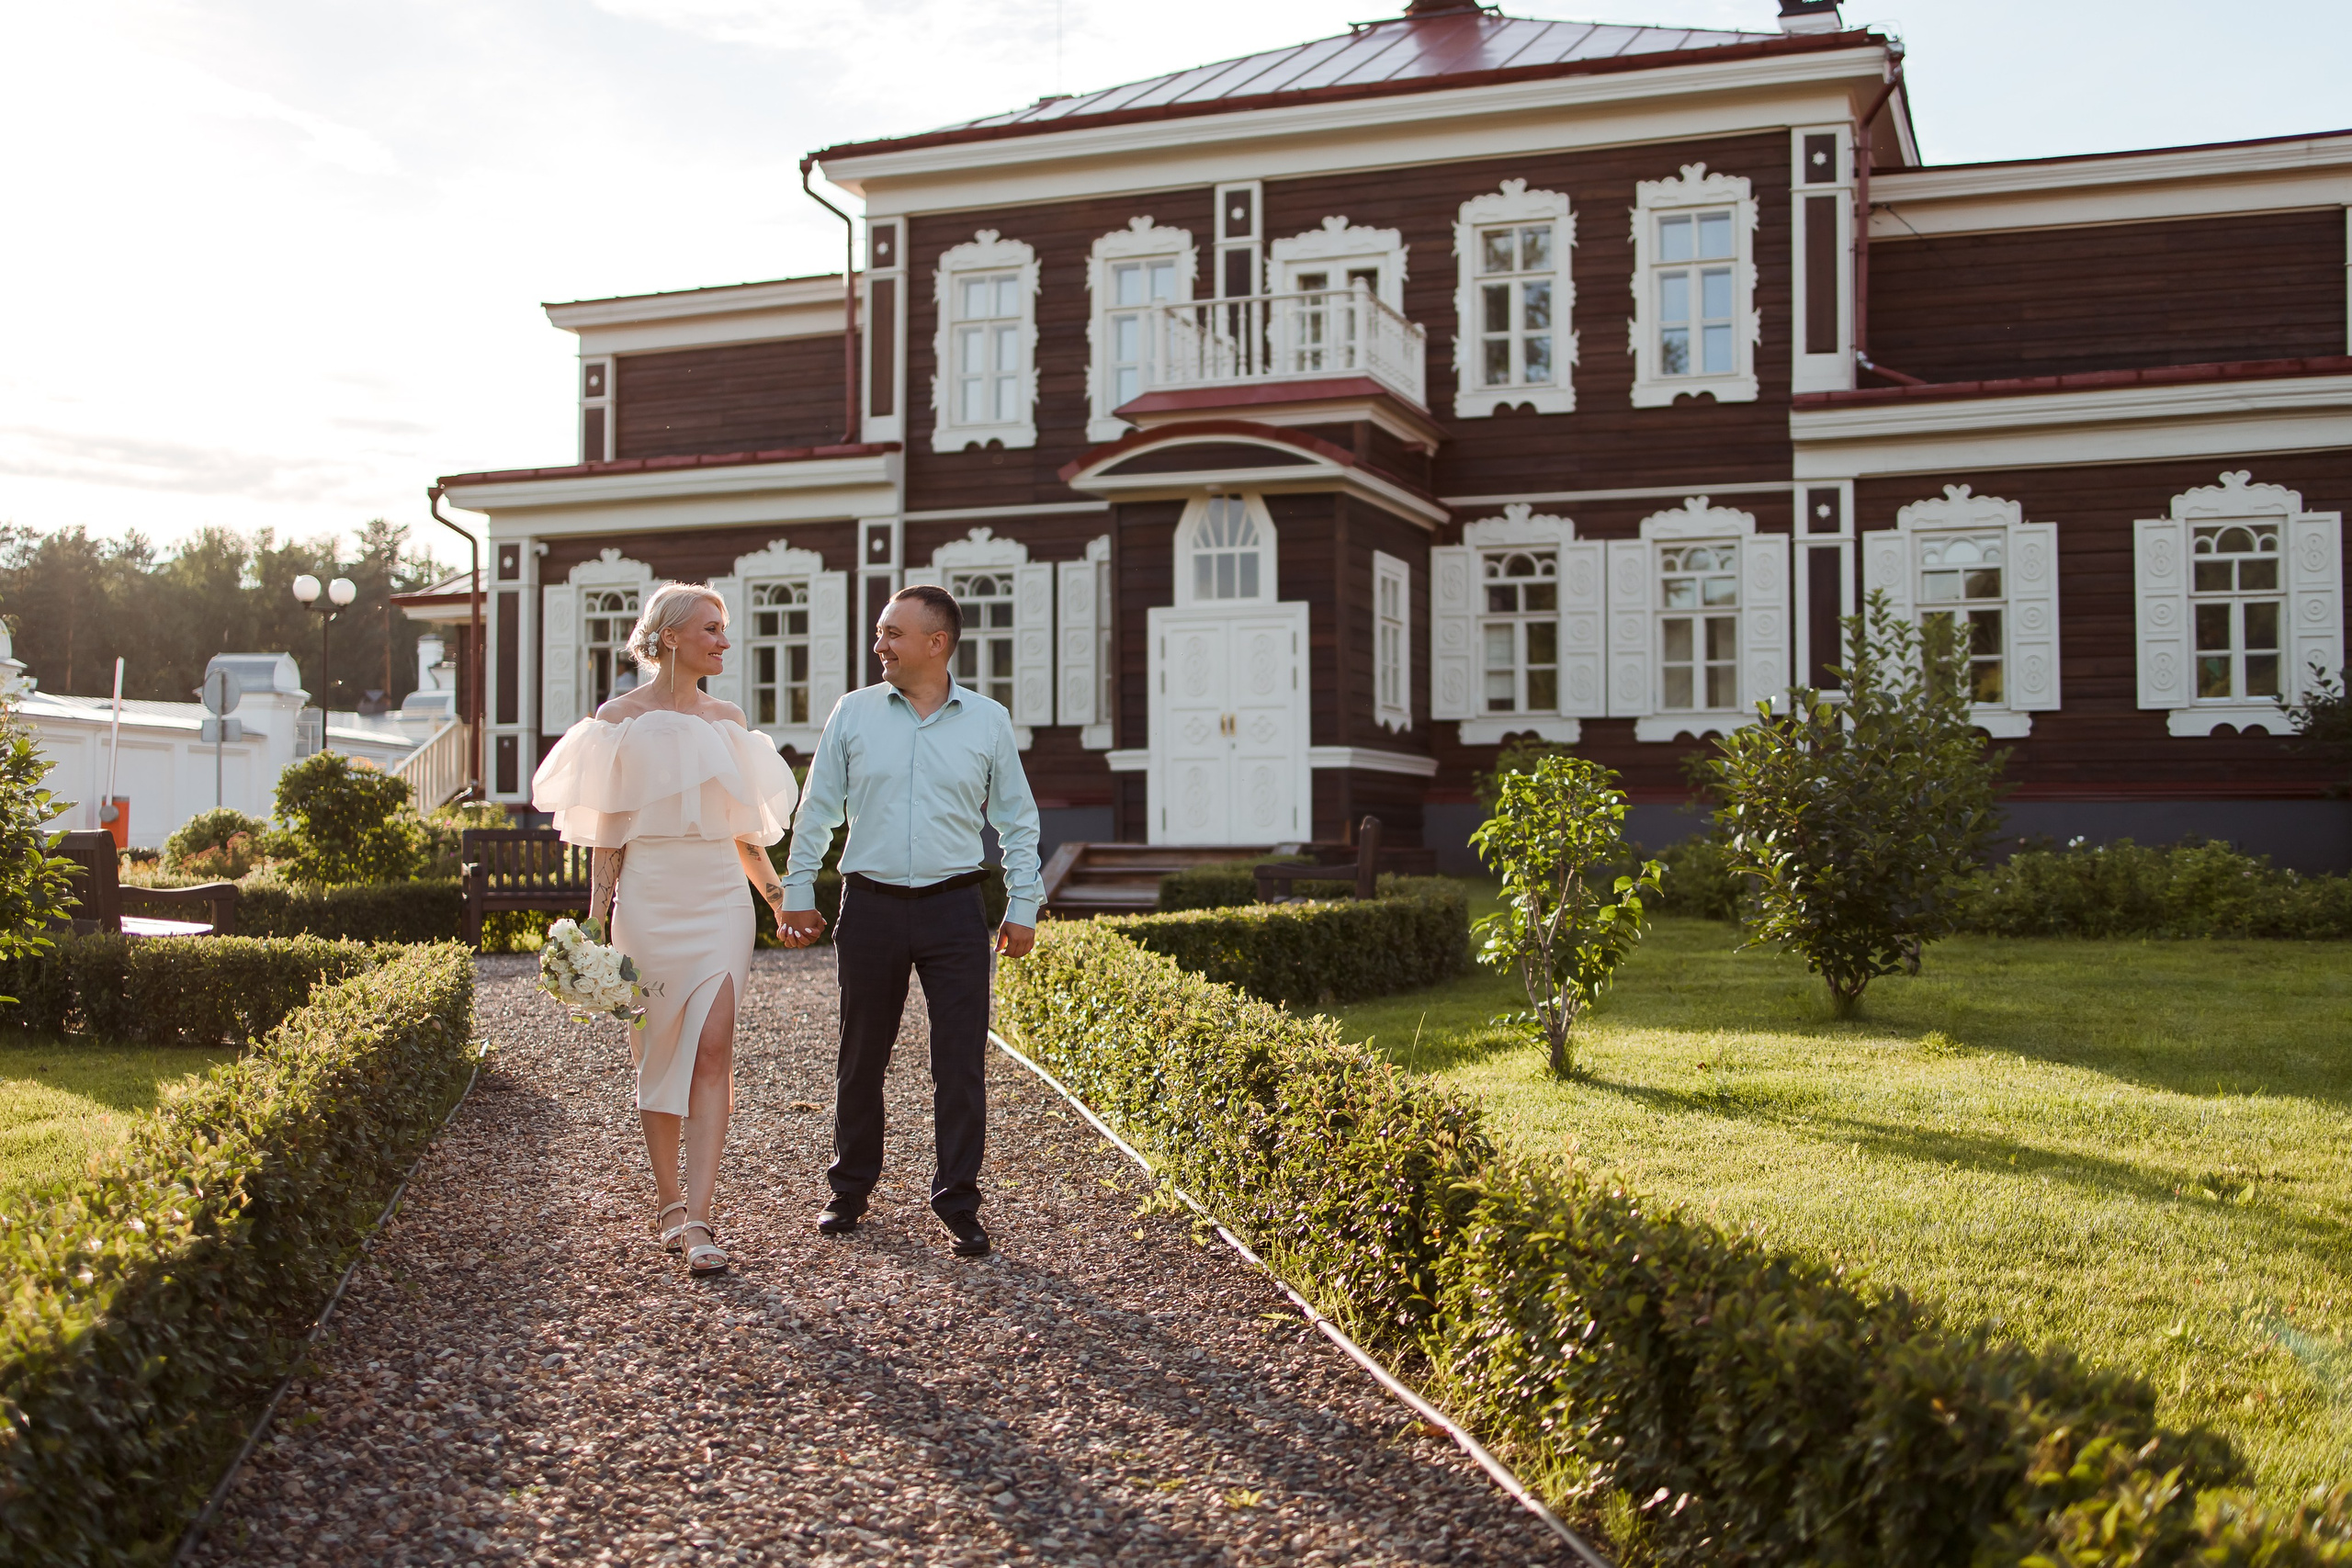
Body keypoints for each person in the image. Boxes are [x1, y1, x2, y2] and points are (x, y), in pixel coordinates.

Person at [532, 583, 797, 1277]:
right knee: (657, 1052)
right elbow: (609, 834)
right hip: (648, 897)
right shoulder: (618, 719)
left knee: (714, 1046)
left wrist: (776, 898)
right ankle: (670, 1203)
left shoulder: (728, 718)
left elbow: (743, 830)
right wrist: (594, 919)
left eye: (725, 628)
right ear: (670, 636)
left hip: (718, 897)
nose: (724, 641)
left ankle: (704, 1216)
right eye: (711, 628)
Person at [777, 584, 1042, 1258]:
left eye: (894, 633)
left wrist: (1022, 904)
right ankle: (849, 1190)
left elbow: (1016, 819)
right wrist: (798, 887)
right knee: (861, 1058)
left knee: (960, 1064)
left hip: (955, 908)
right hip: (870, 905)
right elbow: (818, 809)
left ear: (937, 642)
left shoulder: (987, 720)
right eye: (878, 631)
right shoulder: (854, 713)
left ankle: (958, 1202)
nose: (880, 644)